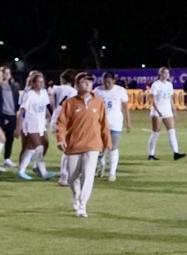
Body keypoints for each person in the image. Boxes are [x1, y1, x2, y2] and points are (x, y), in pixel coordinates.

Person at [55, 71, 110, 218]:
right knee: (73, 177)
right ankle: (76, 195)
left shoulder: (99, 102)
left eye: (90, 81)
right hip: (73, 145)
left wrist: (107, 142)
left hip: (93, 144)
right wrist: (60, 139)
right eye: (83, 81)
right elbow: (61, 124)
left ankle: (82, 205)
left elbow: (104, 124)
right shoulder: (70, 103)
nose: (87, 83)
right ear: (76, 84)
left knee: (88, 175)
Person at [14, 70, 52, 180]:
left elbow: (45, 108)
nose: (41, 84)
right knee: (37, 147)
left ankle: (25, 169)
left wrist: (51, 118)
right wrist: (18, 128)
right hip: (30, 125)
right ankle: (42, 172)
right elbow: (21, 112)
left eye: (42, 82)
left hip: (41, 125)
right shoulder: (29, 94)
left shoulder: (44, 93)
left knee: (44, 144)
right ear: (33, 83)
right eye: (38, 82)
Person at [94, 71, 131, 181]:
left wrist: (128, 122)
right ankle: (101, 164)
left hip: (116, 123)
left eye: (109, 82)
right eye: (105, 82)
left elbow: (125, 107)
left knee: (113, 147)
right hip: (101, 123)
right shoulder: (97, 91)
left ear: (114, 81)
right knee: (100, 147)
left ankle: (112, 173)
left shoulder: (120, 90)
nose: (107, 84)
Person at [147, 67, 185, 160]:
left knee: (172, 131)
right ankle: (151, 154)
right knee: (156, 133)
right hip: (157, 112)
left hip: (167, 111)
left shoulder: (169, 85)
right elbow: (153, 100)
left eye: (168, 73)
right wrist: (158, 111)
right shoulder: (155, 85)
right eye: (165, 73)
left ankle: (176, 153)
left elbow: (170, 99)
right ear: (160, 74)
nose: (167, 75)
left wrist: (174, 111)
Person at [1, 65, 20, 168]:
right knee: (1, 139)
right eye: (4, 73)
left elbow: (17, 102)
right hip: (2, 115)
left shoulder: (14, 86)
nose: (6, 75)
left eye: (8, 73)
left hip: (12, 114)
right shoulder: (0, 86)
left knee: (10, 138)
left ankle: (7, 159)